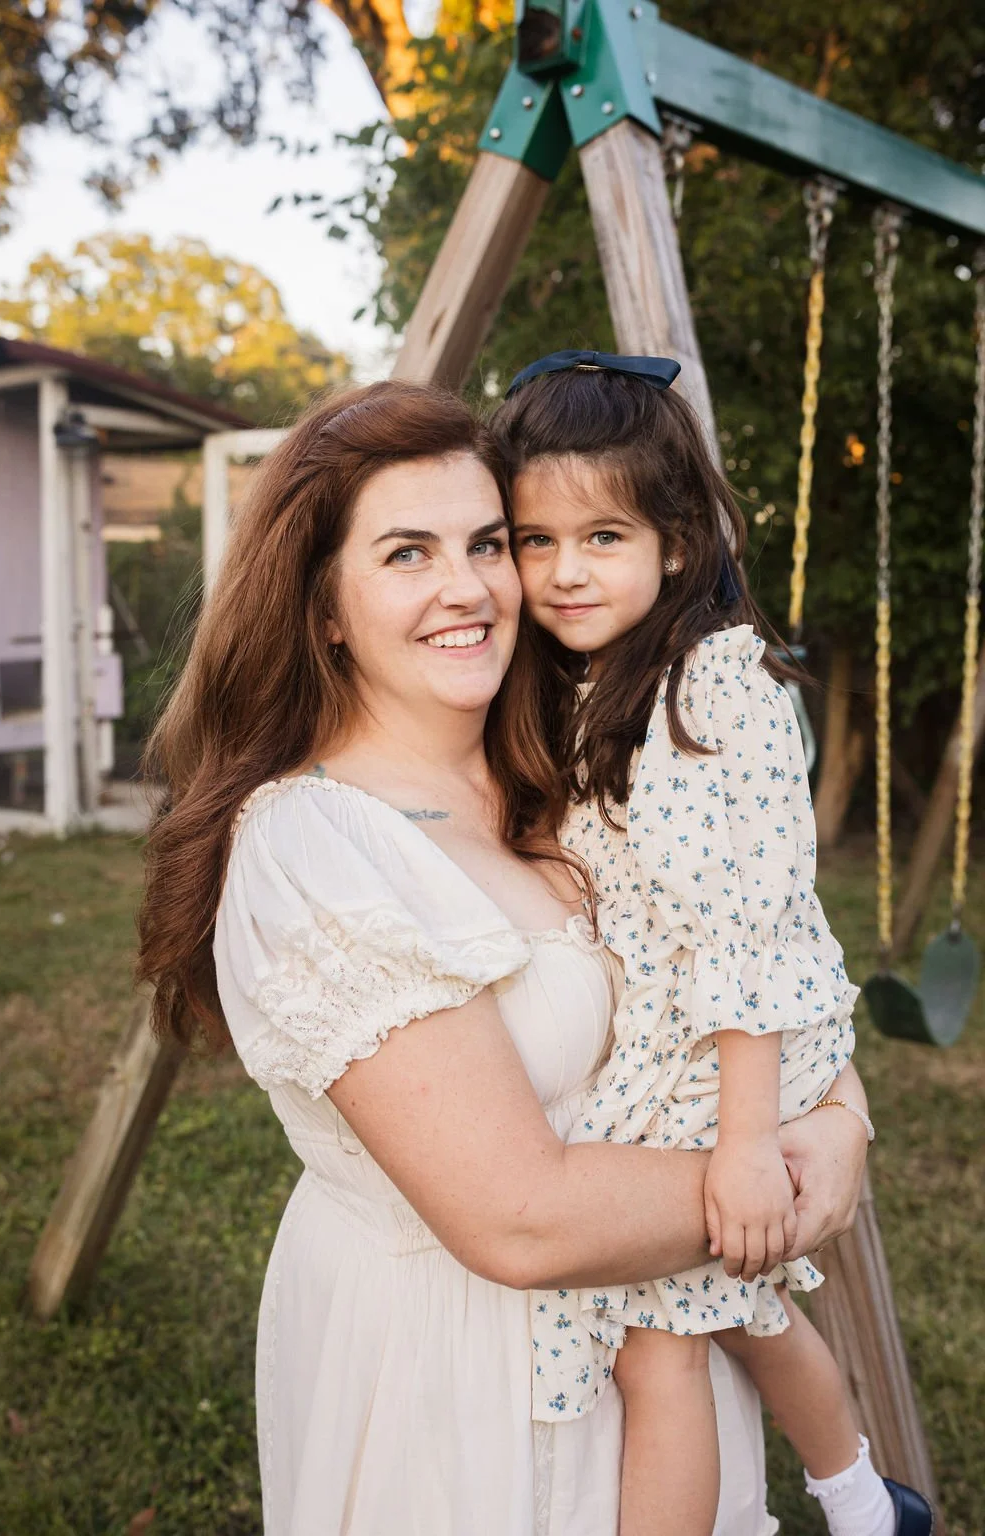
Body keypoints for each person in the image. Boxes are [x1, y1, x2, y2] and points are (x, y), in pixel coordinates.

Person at [136, 378, 871, 1536]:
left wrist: (838, 1114)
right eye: (407, 553)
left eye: (487, 542)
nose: (470, 585)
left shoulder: (585, 771)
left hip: (655, 1332)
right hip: (456, 1378)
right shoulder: (314, 846)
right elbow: (517, 1218)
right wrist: (778, 1179)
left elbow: (745, 944)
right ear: (322, 605)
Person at [492, 351, 934, 1536]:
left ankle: (853, 1502)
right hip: (686, 1045)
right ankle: (861, 1501)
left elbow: (746, 933)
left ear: (677, 543)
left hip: (727, 1052)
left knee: (655, 1348)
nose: (564, 571)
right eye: (536, 541)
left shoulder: (711, 694)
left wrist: (746, 1146)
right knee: (742, 1308)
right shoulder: (600, 682)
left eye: (602, 537)